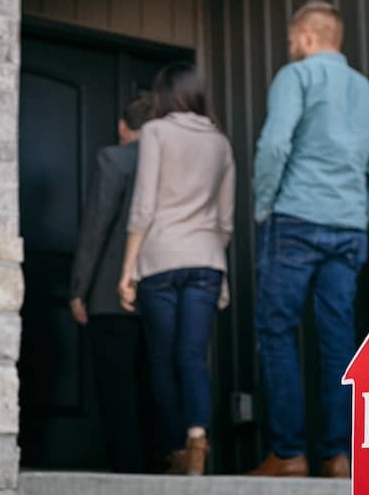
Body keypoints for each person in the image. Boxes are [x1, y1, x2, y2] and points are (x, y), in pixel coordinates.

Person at [248, 0, 369, 479]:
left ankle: (289, 455)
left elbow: (274, 145)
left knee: (277, 333)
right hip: (347, 232)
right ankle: (338, 456)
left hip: (293, 220)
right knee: (339, 342)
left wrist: (264, 205)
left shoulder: (297, 77)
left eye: (292, 41)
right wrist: (355, 215)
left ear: (308, 38)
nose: (290, 49)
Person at [118, 62, 235, 476]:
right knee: (192, 356)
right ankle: (198, 437)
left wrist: (127, 270)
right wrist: (213, 260)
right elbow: (225, 221)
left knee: (164, 360)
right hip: (206, 262)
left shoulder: (155, 132)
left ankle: (175, 451)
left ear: (165, 95)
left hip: (160, 261)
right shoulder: (220, 143)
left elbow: (144, 206)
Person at [68, 95, 156, 473]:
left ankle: (126, 472)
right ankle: (157, 468)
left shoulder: (114, 160)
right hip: (158, 293)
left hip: (108, 294)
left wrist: (78, 289)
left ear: (124, 126)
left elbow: (96, 229)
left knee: (117, 391)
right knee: (153, 388)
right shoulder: (168, 165)